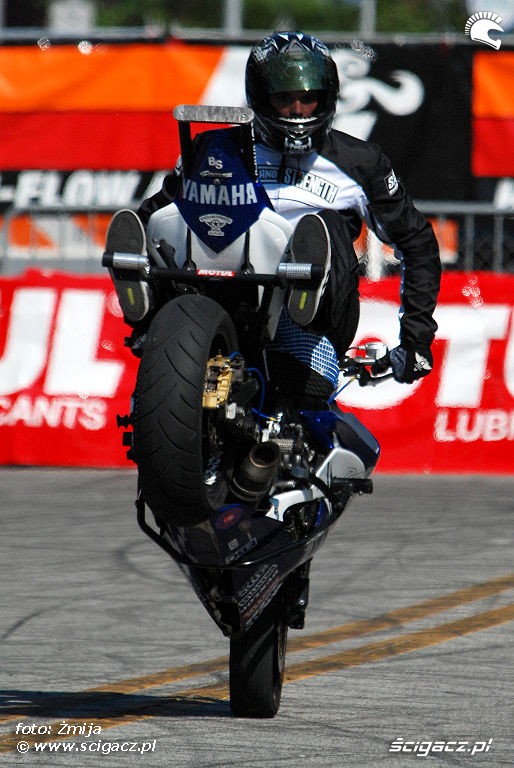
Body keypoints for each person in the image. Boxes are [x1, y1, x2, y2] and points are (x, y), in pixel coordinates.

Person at [110, 30, 441, 388]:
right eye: (284, 99)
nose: (297, 110)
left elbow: (417, 242)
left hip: (309, 316)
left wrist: (416, 339)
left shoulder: (361, 162)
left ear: (328, 99)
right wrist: (141, 238)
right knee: (161, 225)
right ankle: (148, 305)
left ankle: (305, 290)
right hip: (216, 285)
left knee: (325, 224)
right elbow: (156, 214)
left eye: (308, 99)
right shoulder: (216, 148)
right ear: (261, 99)